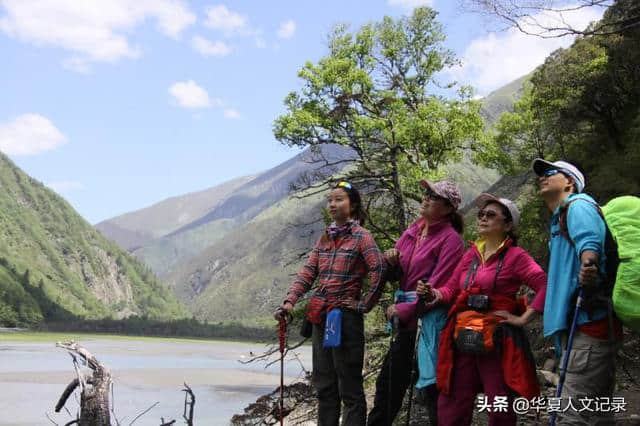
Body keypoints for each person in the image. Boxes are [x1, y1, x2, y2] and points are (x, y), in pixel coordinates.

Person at [422, 194, 547, 426]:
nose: (482, 218)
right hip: (464, 335)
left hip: (496, 339)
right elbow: (451, 288)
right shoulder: (470, 255)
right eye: (481, 214)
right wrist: (434, 294)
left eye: (491, 215)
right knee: (453, 402)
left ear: (508, 225)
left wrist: (523, 319)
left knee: (498, 404)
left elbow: (544, 284)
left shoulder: (516, 257)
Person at [274, 181, 385, 426]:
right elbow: (308, 271)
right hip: (322, 317)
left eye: (339, 199)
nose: (332, 204)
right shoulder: (326, 236)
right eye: (330, 200)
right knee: (324, 385)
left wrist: (363, 305)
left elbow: (379, 269)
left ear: (353, 205)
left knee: (350, 387)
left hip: (345, 318)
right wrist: (290, 301)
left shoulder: (362, 237)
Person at [367, 180, 465, 426]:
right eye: (426, 193)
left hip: (430, 324)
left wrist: (403, 309)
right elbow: (398, 272)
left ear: (447, 208)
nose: (426, 197)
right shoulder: (414, 230)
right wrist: (390, 260)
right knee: (388, 384)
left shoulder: (451, 240)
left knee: (431, 386)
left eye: (434, 195)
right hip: (406, 322)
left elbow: (437, 288)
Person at [532, 159, 622, 425]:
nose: (542, 177)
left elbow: (589, 240)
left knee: (570, 417)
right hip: (589, 325)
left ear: (569, 182)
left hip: (587, 325)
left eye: (550, 173)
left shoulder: (578, 205)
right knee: (598, 413)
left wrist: (589, 265)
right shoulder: (559, 219)